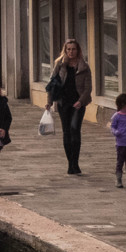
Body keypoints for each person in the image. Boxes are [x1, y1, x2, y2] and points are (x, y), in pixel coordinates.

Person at [45, 39, 93, 175]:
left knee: (75, 130)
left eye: (74, 49)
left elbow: (88, 88)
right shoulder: (59, 65)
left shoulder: (84, 66)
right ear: (65, 50)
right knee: (67, 131)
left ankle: (75, 163)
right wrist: (49, 101)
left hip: (78, 103)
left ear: (78, 50)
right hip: (63, 102)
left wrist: (81, 101)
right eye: (69, 49)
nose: (71, 52)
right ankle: (70, 164)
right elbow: (52, 84)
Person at [109, 93, 126, 188]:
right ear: (123, 104)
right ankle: (118, 179)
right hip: (121, 143)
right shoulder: (117, 116)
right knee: (120, 161)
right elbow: (112, 127)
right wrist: (116, 132)